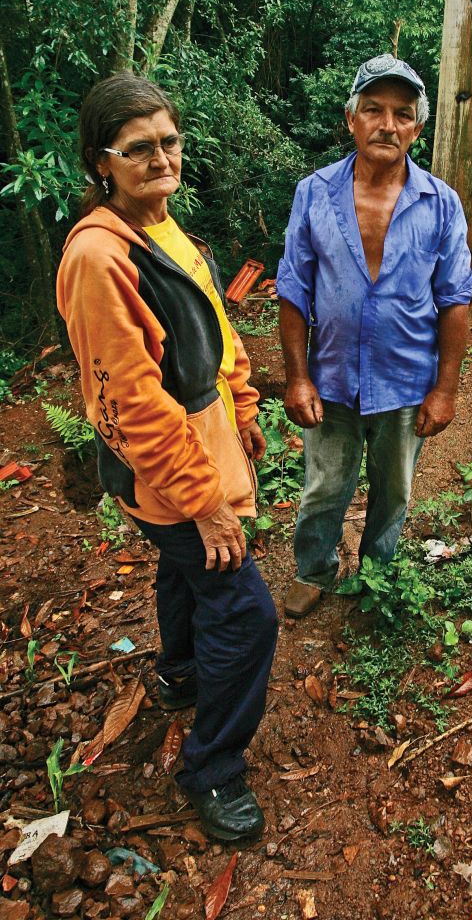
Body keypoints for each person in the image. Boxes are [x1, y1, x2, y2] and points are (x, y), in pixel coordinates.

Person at [56, 73, 277, 842]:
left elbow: (219, 334)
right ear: (102, 162)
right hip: (174, 476)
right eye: (139, 148)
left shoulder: (166, 230)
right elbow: (129, 403)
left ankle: (181, 675)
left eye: (169, 142)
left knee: (185, 571)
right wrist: (204, 499)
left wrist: (244, 412)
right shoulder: (99, 258)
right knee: (247, 614)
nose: (161, 158)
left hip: (205, 453)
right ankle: (213, 770)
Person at [276, 54, 472, 619]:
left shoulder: (441, 203)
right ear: (352, 120)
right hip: (333, 377)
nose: (387, 124)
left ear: (417, 127)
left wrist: (445, 390)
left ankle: (377, 578)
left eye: (402, 114)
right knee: (323, 488)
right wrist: (297, 377)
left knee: (394, 494)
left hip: (405, 380)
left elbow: (455, 299)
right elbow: (293, 288)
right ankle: (313, 569)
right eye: (374, 110)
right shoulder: (314, 193)